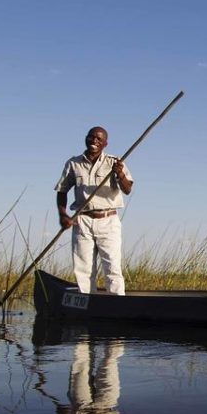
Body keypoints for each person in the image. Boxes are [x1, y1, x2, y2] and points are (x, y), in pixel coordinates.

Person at [55, 126, 133, 295]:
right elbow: (62, 191)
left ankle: (116, 304)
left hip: (108, 220)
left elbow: (127, 189)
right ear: (86, 138)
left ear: (105, 143)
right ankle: (87, 304)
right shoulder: (73, 163)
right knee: (83, 268)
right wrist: (63, 215)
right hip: (82, 220)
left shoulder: (115, 162)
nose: (94, 141)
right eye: (91, 137)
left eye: (99, 139)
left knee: (112, 267)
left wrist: (120, 174)